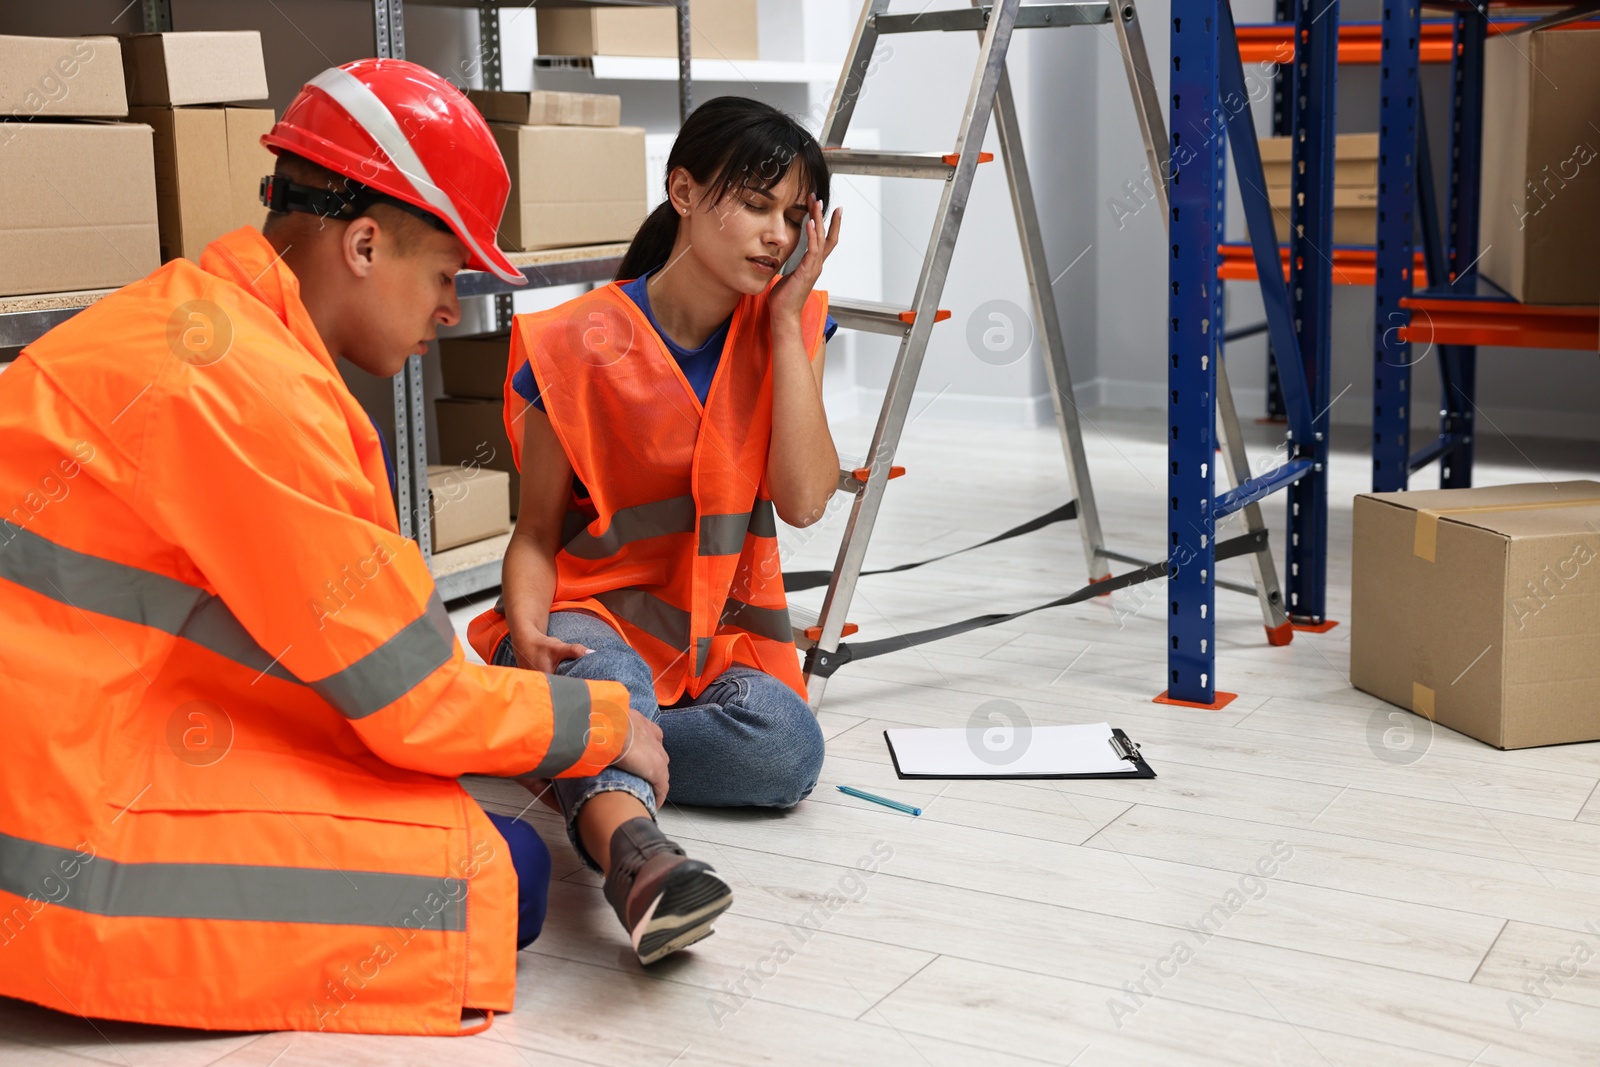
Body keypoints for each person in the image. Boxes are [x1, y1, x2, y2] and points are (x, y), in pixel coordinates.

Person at [0, 59, 668, 1035]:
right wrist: (602, 722)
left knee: (451, 798)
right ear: (362, 243)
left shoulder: (208, 331)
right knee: (491, 877)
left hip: (75, 734)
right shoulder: (244, 388)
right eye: (446, 275)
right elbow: (408, 703)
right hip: (50, 825)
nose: (451, 310)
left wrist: (523, 717)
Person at [465, 97, 843, 964]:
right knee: (600, 674)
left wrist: (786, 324)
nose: (777, 236)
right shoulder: (573, 340)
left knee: (788, 750)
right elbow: (533, 536)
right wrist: (526, 634)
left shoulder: (786, 329)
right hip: (589, 617)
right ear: (682, 190)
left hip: (715, 646)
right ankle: (640, 861)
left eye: (794, 215)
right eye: (755, 204)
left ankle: (560, 736)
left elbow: (806, 499)